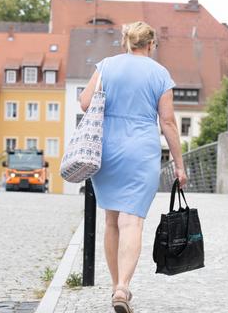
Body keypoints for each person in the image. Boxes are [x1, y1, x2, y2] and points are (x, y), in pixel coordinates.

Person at [78, 21, 187, 313]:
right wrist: (179, 164)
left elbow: (86, 103)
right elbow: (167, 122)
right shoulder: (159, 73)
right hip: (141, 152)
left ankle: (117, 287)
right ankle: (124, 287)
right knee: (133, 222)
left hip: (108, 149)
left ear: (126, 42)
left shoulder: (107, 65)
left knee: (112, 221)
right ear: (151, 44)